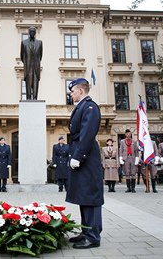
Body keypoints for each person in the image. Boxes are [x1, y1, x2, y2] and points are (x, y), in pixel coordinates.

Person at [66, 78, 103, 249]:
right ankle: (86, 230)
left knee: (91, 196)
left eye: (72, 91)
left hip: (87, 158)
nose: (70, 93)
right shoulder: (81, 106)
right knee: (84, 195)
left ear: (81, 91)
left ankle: (93, 236)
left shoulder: (90, 106)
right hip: (82, 156)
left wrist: (78, 156)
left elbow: (87, 134)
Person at [20, 26, 43, 100]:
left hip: (36, 66)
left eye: (33, 31)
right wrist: (27, 63)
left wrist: (36, 62)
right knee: (28, 83)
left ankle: (35, 98)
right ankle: (29, 98)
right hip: (28, 66)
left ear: (35, 33)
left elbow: (40, 55)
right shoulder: (24, 43)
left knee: (36, 83)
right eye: (31, 31)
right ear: (29, 33)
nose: (32, 33)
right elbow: (22, 55)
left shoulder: (39, 43)